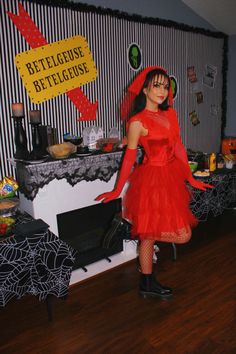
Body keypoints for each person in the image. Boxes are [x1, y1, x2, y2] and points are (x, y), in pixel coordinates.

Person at [96, 66, 213, 299]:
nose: (162, 91)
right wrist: (116, 190)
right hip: (151, 179)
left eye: (165, 86)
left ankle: (145, 278)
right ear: (145, 89)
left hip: (170, 176)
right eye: (157, 85)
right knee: (181, 235)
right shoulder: (136, 122)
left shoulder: (170, 114)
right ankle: (147, 278)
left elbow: (178, 146)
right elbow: (129, 158)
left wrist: (191, 178)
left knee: (153, 234)